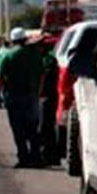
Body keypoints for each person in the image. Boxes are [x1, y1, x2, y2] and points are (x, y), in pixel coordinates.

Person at [0, 27, 43, 168]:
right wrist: (38, 91)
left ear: (12, 40)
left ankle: (23, 158)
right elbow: (42, 74)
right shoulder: (35, 55)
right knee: (32, 128)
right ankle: (36, 158)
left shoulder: (8, 56)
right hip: (31, 96)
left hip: (14, 96)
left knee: (18, 129)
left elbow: (1, 77)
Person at [37, 36, 61, 167]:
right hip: (47, 95)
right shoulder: (47, 59)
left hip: (47, 96)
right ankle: (51, 156)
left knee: (45, 126)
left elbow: (44, 79)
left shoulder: (48, 60)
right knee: (48, 127)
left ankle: (47, 155)